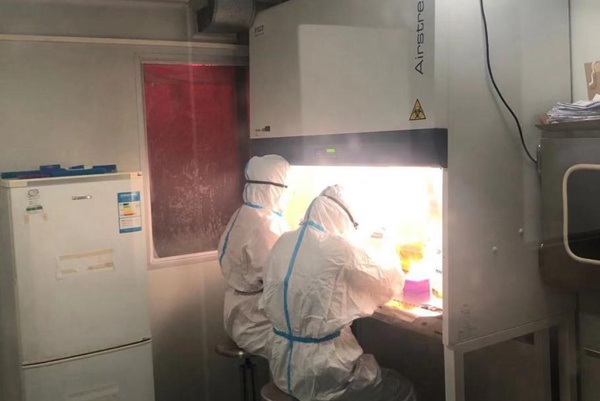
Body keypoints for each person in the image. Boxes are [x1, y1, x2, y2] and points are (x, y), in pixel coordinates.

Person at [260, 185, 416, 401]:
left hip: (281, 365)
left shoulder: (283, 241)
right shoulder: (339, 248)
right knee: (402, 389)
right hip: (324, 373)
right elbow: (390, 283)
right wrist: (385, 244)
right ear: (344, 218)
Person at [218, 154, 291, 359]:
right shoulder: (265, 225)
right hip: (255, 322)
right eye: (287, 189)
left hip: (239, 313)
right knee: (302, 352)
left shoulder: (244, 214)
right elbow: (278, 275)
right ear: (275, 189)